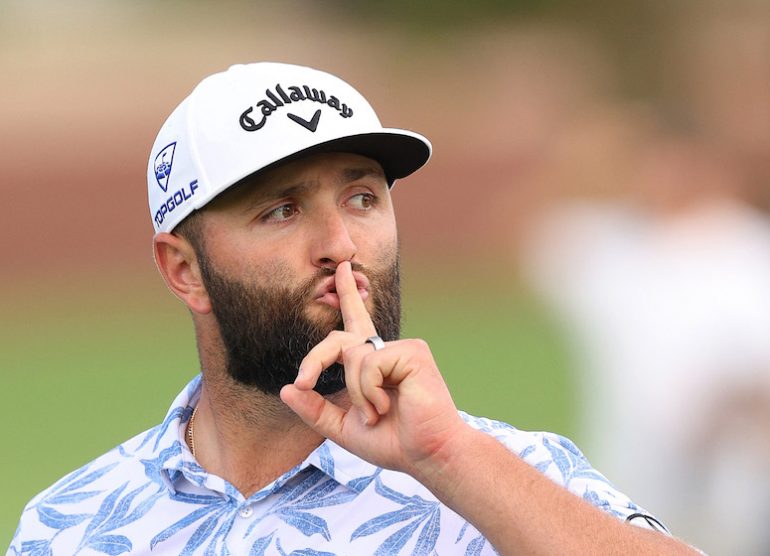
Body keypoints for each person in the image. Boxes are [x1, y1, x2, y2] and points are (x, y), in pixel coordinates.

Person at [8, 62, 698, 555]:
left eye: (362, 198)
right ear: (184, 270)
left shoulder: (506, 477)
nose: (341, 246)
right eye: (281, 211)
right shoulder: (72, 524)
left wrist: (450, 458)